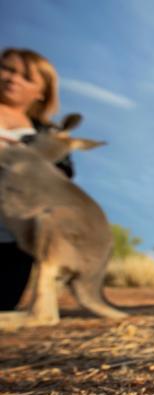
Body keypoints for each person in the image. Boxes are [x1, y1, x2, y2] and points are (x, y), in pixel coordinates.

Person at [0, 47, 73, 310]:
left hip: (14, 239)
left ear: (42, 91)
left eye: (26, 77)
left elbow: (62, 180)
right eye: (7, 69)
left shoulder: (49, 134)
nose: (12, 79)